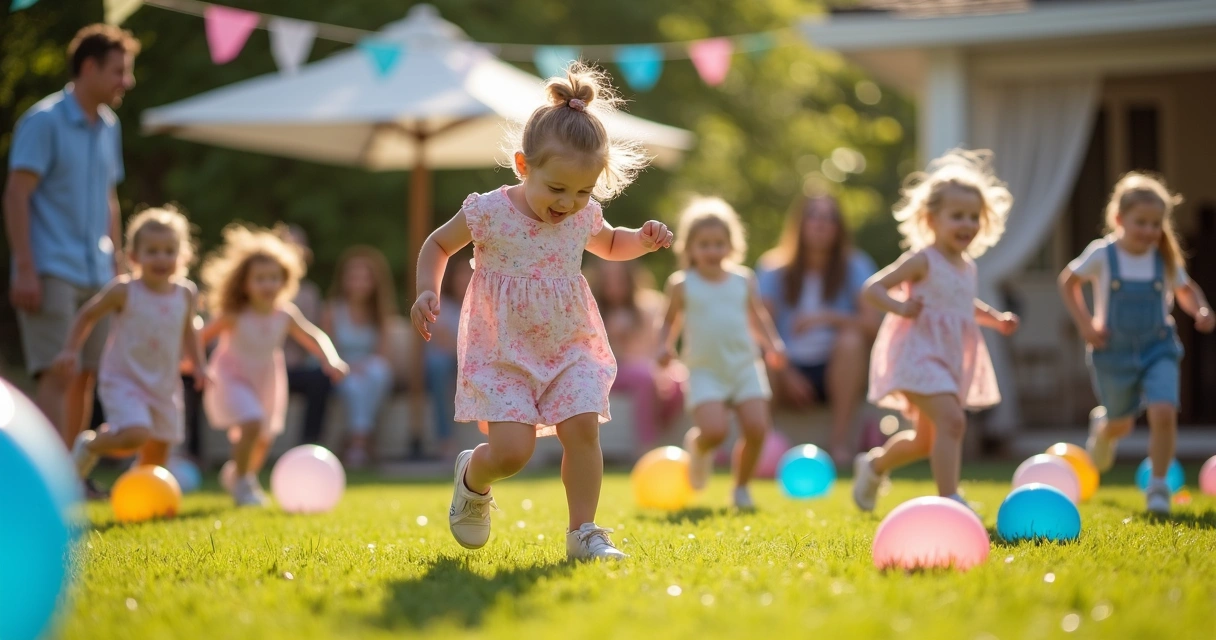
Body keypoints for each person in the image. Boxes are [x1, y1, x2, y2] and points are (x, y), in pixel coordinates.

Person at [410, 63, 671, 560]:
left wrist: (642, 239)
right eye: (557, 189)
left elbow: (612, 243)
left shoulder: (581, 215)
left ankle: (584, 532)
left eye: (582, 192)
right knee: (513, 453)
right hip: (501, 347)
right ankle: (474, 476)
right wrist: (427, 291)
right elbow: (438, 245)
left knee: (582, 427)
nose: (570, 203)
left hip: (569, 342)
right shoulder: (488, 211)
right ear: (523, 165)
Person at [4, 24, 139, 497]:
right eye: (119, 71)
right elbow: (17, 196)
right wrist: (24, 266)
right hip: (50, 268)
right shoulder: (43, 122)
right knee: (56, 373)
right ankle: (42, 486)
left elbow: (109, 200)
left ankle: (70, 477)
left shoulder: (110, 126)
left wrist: (119, 265)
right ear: (88, 68)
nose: (128, 81)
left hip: (96, 273)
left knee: (84, 376)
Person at [853, 149, 1019, 512]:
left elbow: (962, 306)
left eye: (974, 217)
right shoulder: (922, 260)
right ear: (932, 220)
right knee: (953, 421)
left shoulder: (967, 267)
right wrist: (899, 306)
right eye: (956, 216)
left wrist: (995, 318)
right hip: (917, 354)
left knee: (924, 441)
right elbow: (871, 289)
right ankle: (951, 499)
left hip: (948, 358)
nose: (967, 224)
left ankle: (874, 465)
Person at [1059, 173, 1213, 514]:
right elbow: (1068, 281)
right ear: (1119, 219)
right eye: (1140, 222)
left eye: (1156, 224)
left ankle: (1158, 488)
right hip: (1112, 354)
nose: (1148, 230)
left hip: (1158, 348)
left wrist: (1200, 309)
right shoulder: (1103, 255)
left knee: (1163, 411)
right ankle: (1104, 428)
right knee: (1122, 424)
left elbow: (1186, 290)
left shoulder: (1163, 259)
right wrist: (1086, 325)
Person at [51, 207, 207, 484]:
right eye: (153, 250)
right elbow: (87, 314)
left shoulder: (186, 293)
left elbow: (189, 330)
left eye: (169, 251)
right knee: (136, 433)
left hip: (164, 383)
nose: (162, 257)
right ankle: (90, 445)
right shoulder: (123, 290)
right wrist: (71, 349)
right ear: (134, 256)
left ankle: (140, 497)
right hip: (124, 379)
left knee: (158, 451)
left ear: (182, 256)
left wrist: (199, 365)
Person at [200, 224, 347, 507]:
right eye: (259, 278)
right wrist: (192, 361)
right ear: (244, 283)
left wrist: (331, 359)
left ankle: (239, 473)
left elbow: (313, 336)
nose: (268, 285)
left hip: (267, 379)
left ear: (285, 280)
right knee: (251, 421)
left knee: (263, 438)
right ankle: (244, 484)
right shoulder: (234, 314)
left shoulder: (285, 314)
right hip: (231, 375)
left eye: (274, 278)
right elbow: (200, 336)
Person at [657, 197, 786, 510]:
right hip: (704, 370)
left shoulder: (743, 280)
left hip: (744, 366)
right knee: (715, 431)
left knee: (757, 428)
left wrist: (773, 344)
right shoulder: (682, 284)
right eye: (704, 244)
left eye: (719, 244)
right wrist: (664, 347)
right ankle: (699, 446)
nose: (712, 251)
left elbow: (757, 317)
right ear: (689, 248)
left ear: (731, 246)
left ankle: (741, 488)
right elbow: (669, 322)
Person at [756, 195, 880, 466]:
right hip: (786, 367)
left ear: (839, 228)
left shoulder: (856, 266)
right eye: (814, 216)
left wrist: (827, 317)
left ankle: (839, 444)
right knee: (762, 358)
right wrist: (786, 371)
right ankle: (762, 446)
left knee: (851, 341)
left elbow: (873, 325)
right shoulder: (772, 268)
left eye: (830, 218)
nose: (822, 224)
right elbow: (758, 327)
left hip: (835, 369)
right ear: (800, 223)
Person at [587, 257, 685, 453]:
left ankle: (668, 442)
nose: (614, 286)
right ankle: (645, 448)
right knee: (645, 378)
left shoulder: (651, 305)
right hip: (606, 373)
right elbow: (592, 358)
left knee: (678, 381)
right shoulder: (589, 310)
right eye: (608, 280)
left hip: (648, 368)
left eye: (619, 280)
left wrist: (662, 370)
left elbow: (659, 348)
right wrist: (613, 338)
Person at [323, 245, 398, 468]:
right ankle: (363, 442)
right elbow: (329, 351)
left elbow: (383, 355)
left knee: (378, 371)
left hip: (369, 370)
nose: (359, 283)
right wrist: (350, 366)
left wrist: (364, 365)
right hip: (340, 369)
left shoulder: (382, 314)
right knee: (354, 385)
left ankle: (355, 442)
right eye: (353, 277)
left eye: (365, 278)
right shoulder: (331, 311)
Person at [279, 225, 333, 446]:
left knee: (320, 379)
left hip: (294, 369)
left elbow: (309, 334)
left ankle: (309, 442)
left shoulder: (309, 293)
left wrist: (331, 359)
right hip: (260, 369)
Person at [424, 250, 474, 462]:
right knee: (437, 364)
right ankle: (445, 440)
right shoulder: (441, 304)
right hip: (448, 363)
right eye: (460, 274)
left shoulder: (488, 304)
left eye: (469, 273)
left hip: (474, 362)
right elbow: (442, 341)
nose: (464, 279)